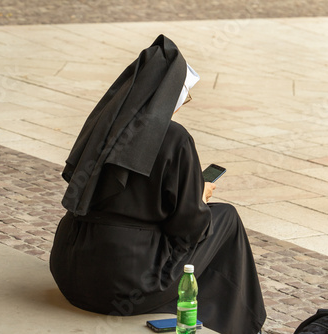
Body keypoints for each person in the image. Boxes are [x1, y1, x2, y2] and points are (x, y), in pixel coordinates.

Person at [49, 34, 266, 334]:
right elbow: (191, 227)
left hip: (69, 271)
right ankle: (238, 324)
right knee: (225, 218)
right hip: (123, 285)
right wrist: (199, 195)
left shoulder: (103, 125)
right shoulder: (175, 138)